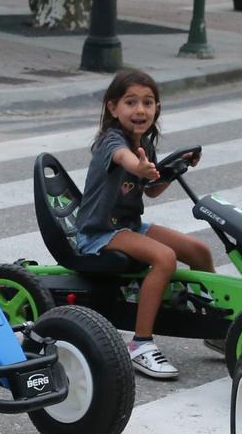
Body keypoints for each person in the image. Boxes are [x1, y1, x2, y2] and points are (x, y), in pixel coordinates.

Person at [71, 69, 215, 381]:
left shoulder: (145, 144)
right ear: (113, 108)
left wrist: (173, 169)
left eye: (148, 103)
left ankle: (212, 324)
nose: (140, 110)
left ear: (157, 108)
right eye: (131, 102)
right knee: (164, 258)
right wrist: (139, 165)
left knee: (199, 251)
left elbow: (150, 189)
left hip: (129, 226)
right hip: (100, 232)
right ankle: (141, 343)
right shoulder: (112, 141)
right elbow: (124, 159)